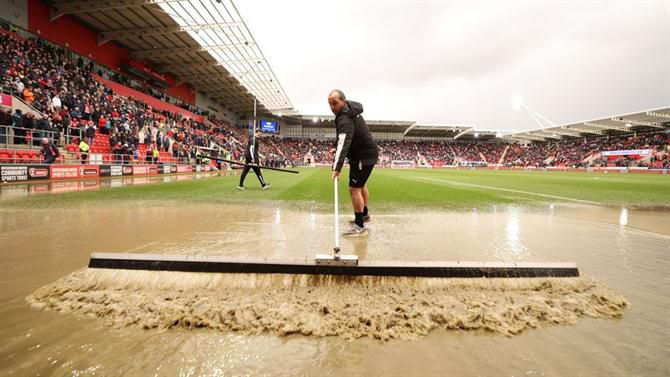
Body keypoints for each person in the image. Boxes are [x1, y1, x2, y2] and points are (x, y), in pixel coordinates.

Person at [328, 89, 378, 236]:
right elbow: (343, 136)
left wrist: (336, 168)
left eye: (335, 103)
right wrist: (334, 147)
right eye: (330, 104)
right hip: (364, 155)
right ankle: (364, 215)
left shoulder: (344, 117)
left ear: (343, 101)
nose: (332, 107)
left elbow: (344, 142)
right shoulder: (348, 111)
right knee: (360, 186)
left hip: (362, 156)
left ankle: (359, 226)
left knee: (354, 189)